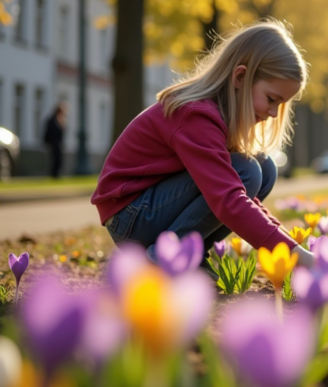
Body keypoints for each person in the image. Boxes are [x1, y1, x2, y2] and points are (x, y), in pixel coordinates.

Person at [91, 20, 314, 272]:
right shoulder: (196, 115)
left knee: (264, 168)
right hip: (129, 216)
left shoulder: (217, 115)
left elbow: (239, 196)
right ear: (240, 76)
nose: (274, 113)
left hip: (148, 209)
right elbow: (228, 198)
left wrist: (292, 247)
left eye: (281, 104)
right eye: (272, 99)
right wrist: (296, 255)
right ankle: (162, 262)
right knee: (248, 170)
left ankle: (190, 256)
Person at [43, 102, 68, 178]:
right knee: (55, 160)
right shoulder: (51, 120)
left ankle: (57, 175)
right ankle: (53, 175)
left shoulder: (61, 121)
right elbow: (47, 132)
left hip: (58, 144)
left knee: (59, 160)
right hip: (53, 143)